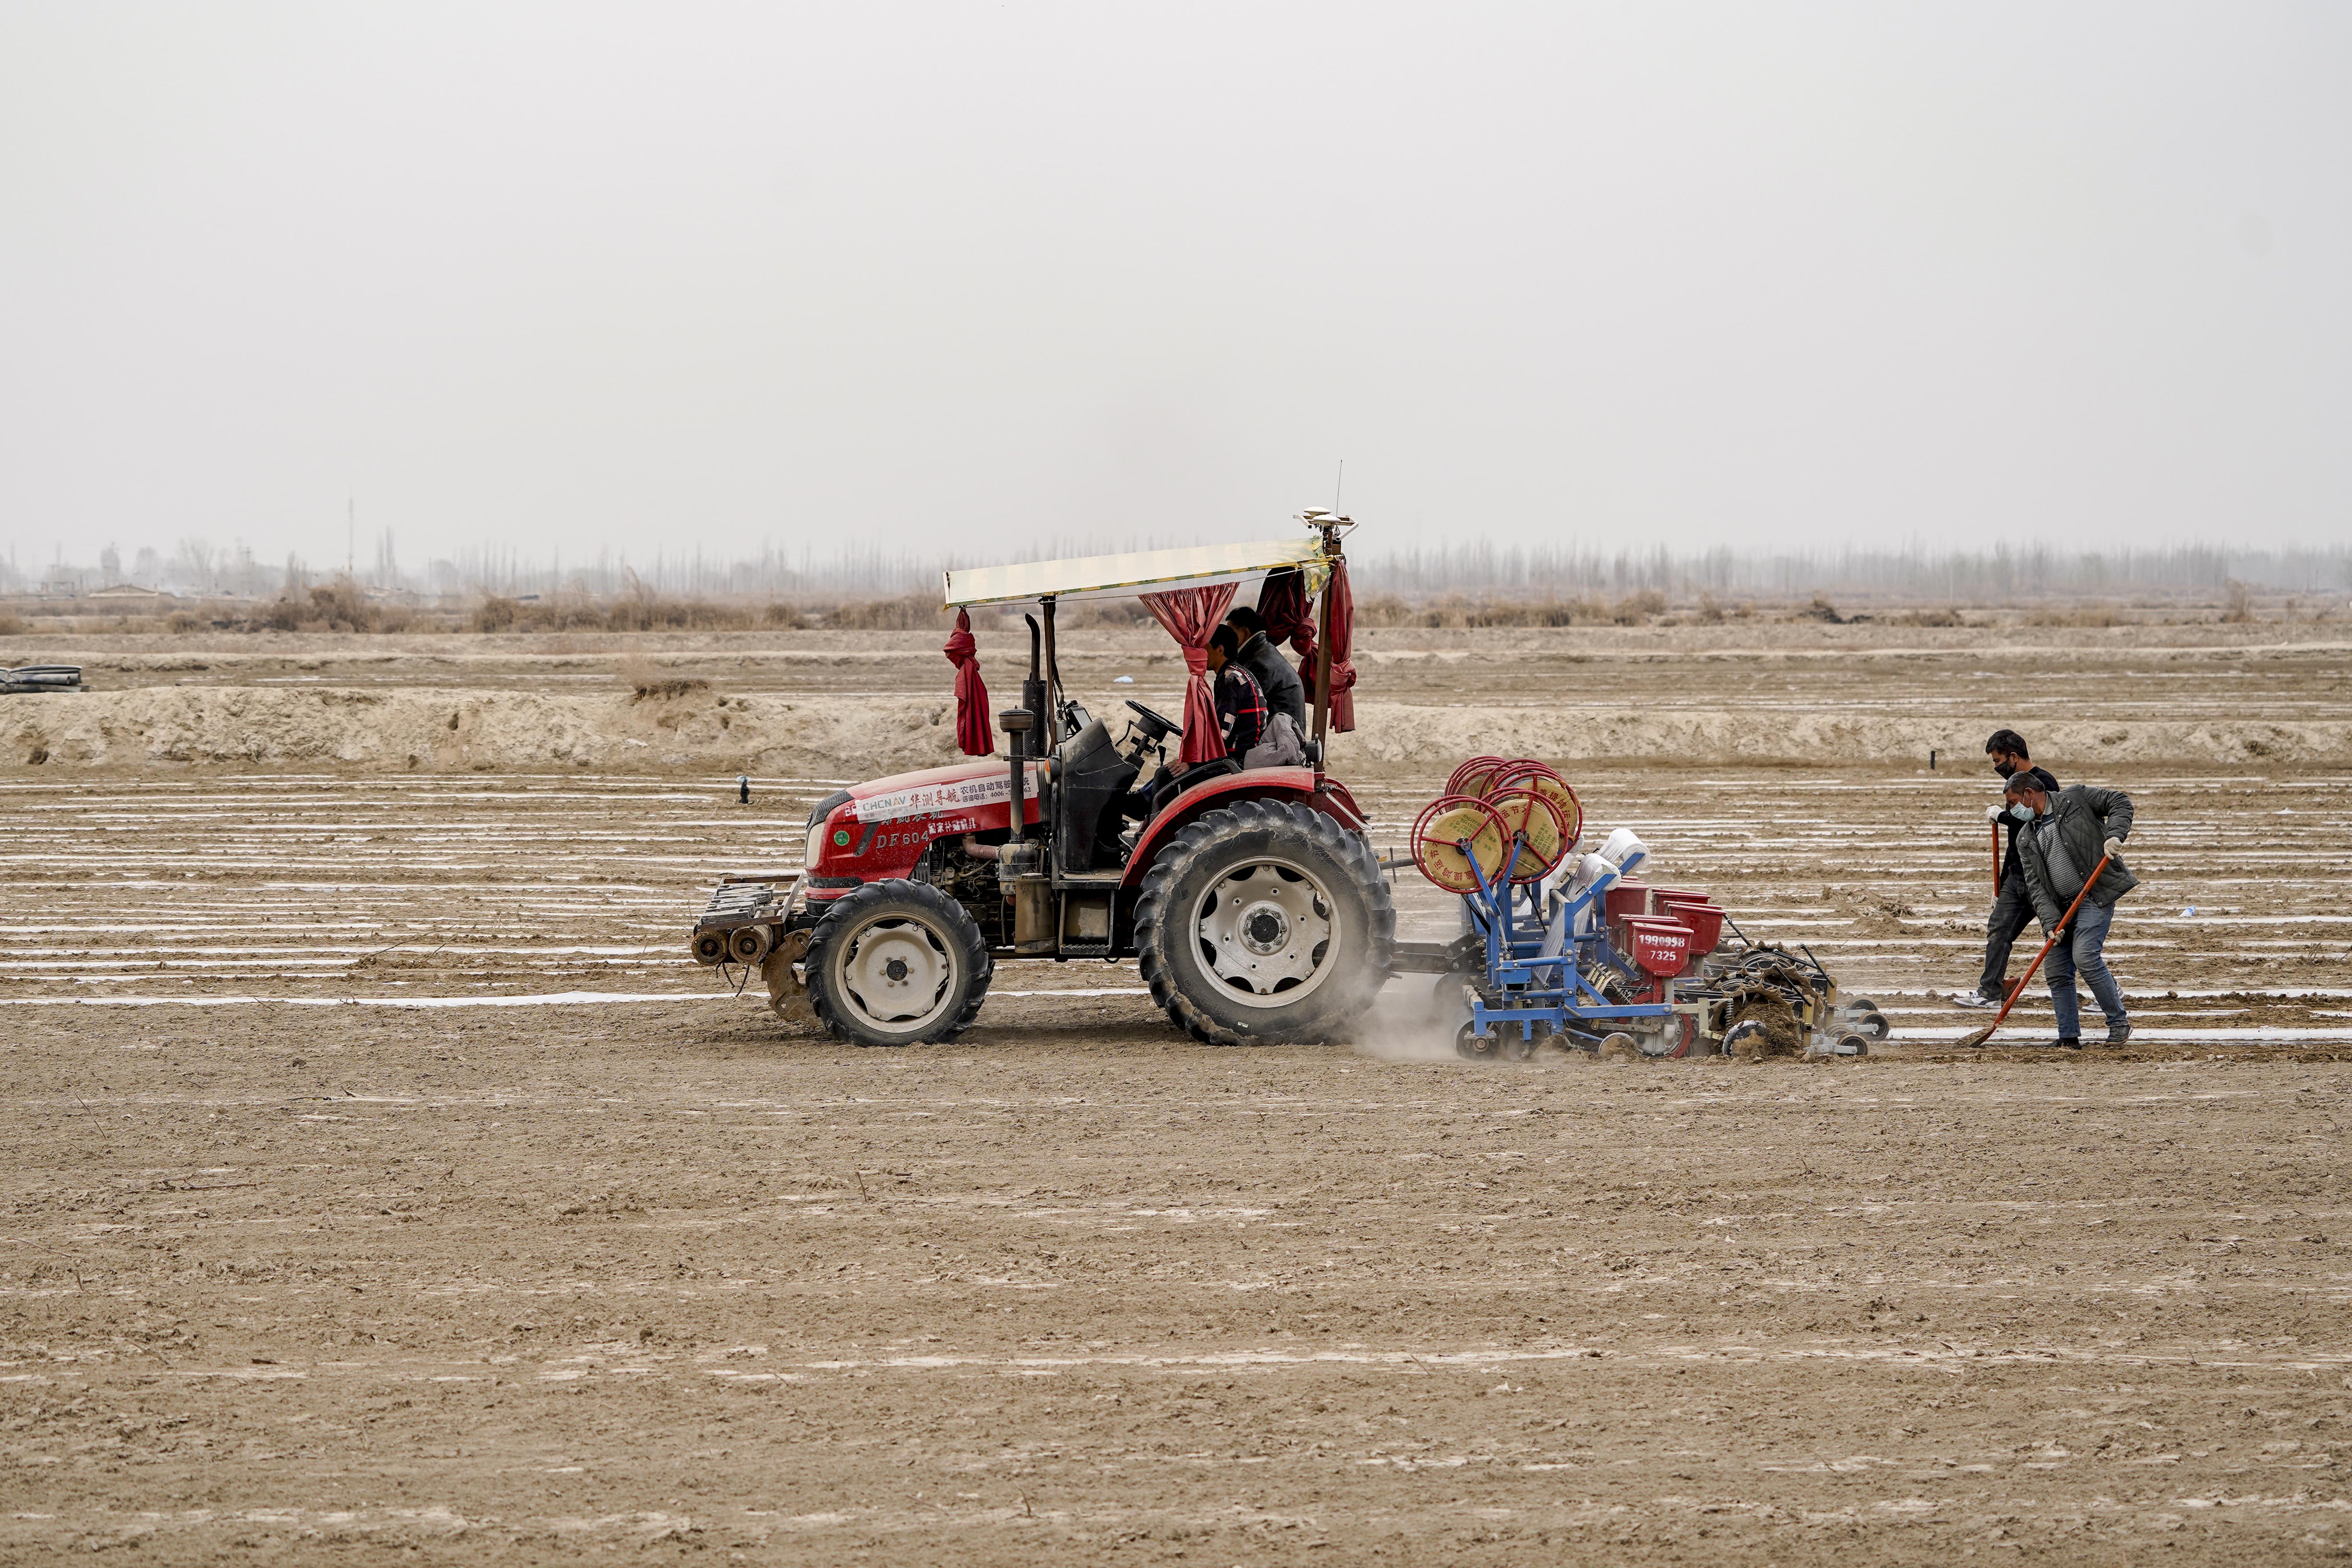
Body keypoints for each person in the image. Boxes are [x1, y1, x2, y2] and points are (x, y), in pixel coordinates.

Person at [2004, 772, 2136, 1049]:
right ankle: (2068, 1036)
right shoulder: (2025, 838)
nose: (2013, 810)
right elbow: (2036, 886)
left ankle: (2119, 1023)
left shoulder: (2075, 799)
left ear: (2029, 794)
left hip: (2094, 895)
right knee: (2056, 971)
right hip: (2062, 907)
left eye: (2014, 802)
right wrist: (2050, 923)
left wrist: (2114, 835)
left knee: (2086, 956)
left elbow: (2120, 802)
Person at [1952, 729, 2061, 1009]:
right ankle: (1989, 992)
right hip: (2017, 876)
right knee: (1999, 930)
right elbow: (2015, 845)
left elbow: (2040, 823)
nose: (1995, 766)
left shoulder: (2043, 781)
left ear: (2013, 757)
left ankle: (2110, 990)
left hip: (2044, 879)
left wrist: (2002, 816)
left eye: (1997, 760)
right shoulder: (2014, 786)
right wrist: (2000, 887)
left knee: (2066, 938)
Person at [1223, 604, 1306, 730]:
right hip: (1284, 733)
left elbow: (1248, 709)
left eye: (1231, 631)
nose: (1227, 638)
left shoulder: (1259, 664)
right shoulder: (1262, 651)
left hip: (1281, 740)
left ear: (1245, 632)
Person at [1206, 623, 1267, 759]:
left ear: (1220, 650)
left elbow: (1223, 731)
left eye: (1206, 648)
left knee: (1165, 774)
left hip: (1237, 756)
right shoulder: (1236, 673)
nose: (1202, 654)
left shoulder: (1231, 679)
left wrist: (1195, 760)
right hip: (1245, 750)